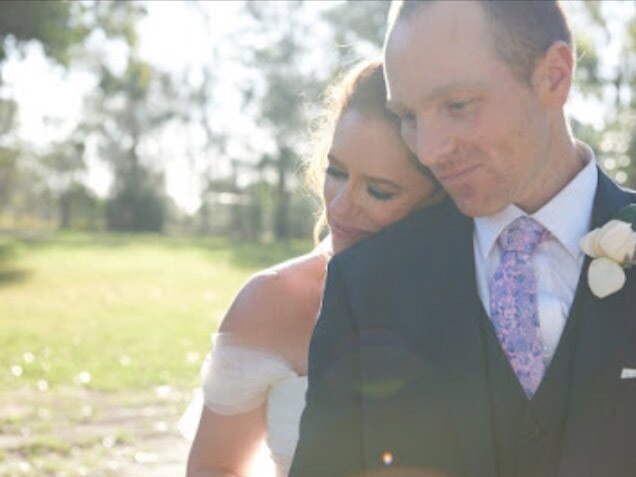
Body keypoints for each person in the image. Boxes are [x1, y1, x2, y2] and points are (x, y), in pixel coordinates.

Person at [291, 2, 636, 477]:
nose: (429, 150)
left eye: (458, 106)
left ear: (554, 77)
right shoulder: (364, 285)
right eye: (408, 115)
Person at [185, 59, 444, 477]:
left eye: (379, 190)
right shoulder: (271, 301)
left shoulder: (479, 296)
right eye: (336, 172)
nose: (340, 206)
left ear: (439, 198)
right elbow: (216, 466)